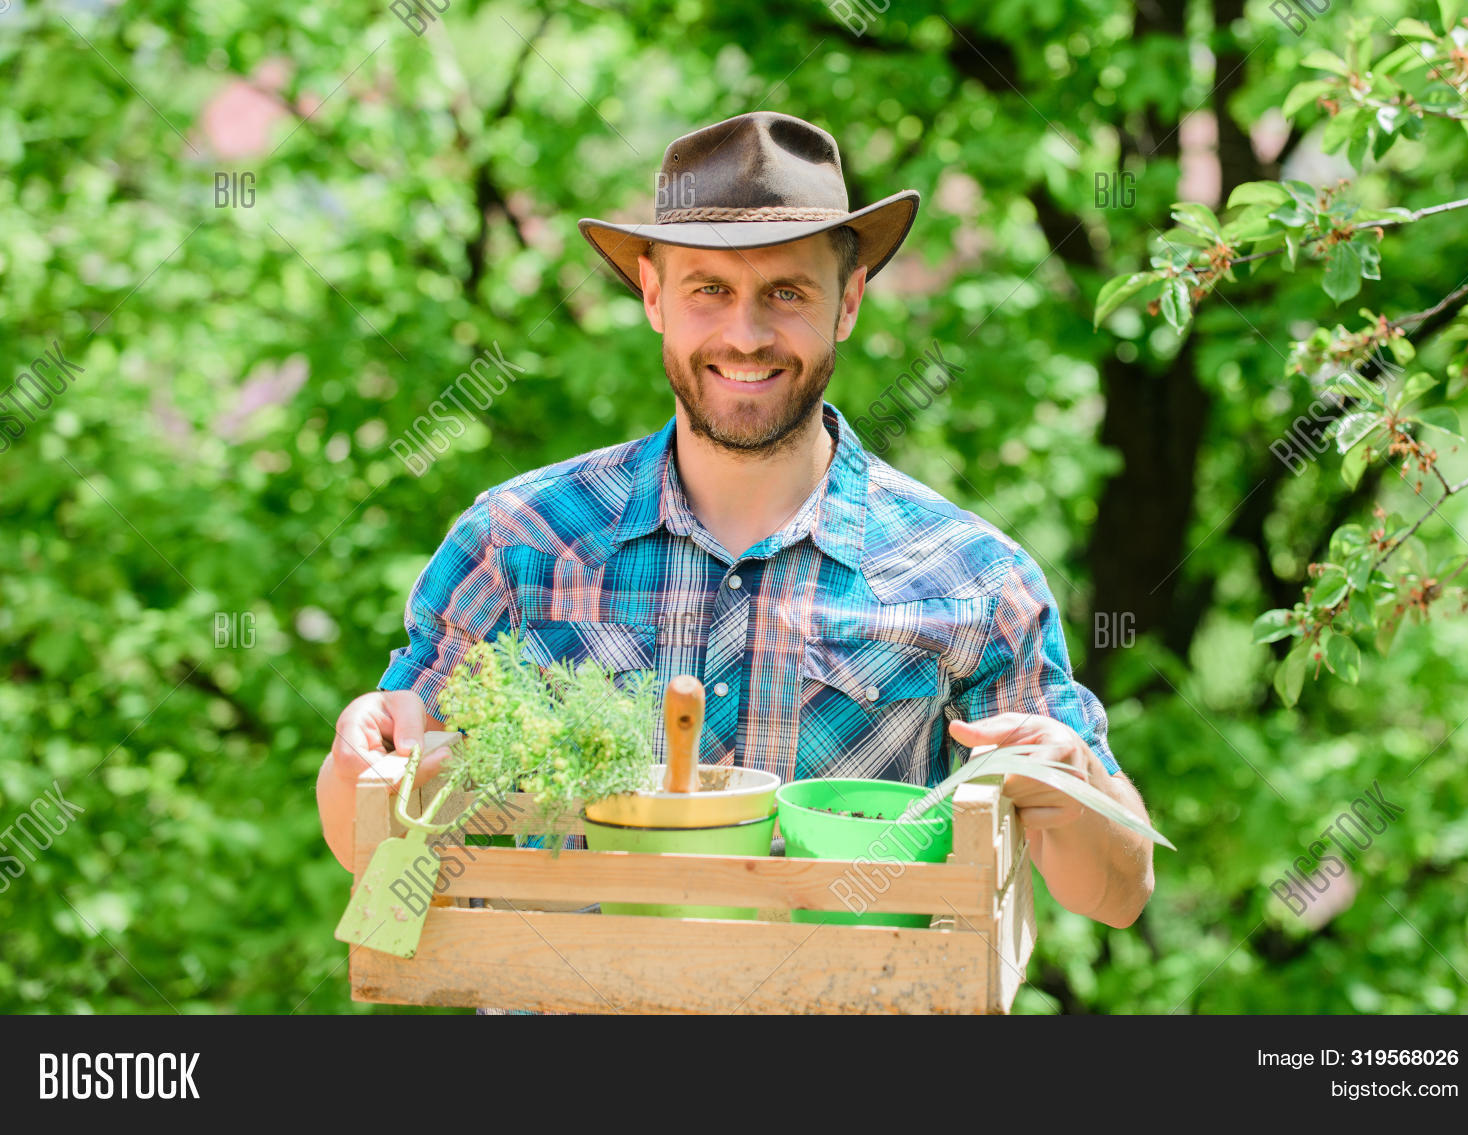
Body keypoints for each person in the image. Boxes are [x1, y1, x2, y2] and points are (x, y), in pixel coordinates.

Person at [317, 111, 1155, 938]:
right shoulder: (519, 542)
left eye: (786, 292)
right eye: (708, 289)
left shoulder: (972, 578)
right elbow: (374, 849)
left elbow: (1116, 894)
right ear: (653, 295)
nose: (745, 335)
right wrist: (357, 758)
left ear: (849, 300)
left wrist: (1071, 779)